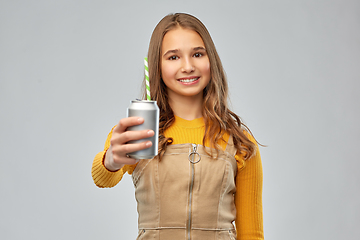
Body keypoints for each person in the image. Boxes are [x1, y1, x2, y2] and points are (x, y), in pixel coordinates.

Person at [92, 13, 264, 240]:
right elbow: (103, 179)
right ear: (157, 66)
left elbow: (251, 235)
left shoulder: (239, 141)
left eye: (197, 54)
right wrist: (111, 161)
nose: (188, 66)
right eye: (173, 57)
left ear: (210, 59)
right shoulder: (139, 131)